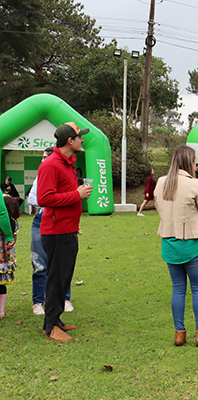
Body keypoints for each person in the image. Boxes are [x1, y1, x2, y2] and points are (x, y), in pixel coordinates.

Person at [155, 145, 198, 347]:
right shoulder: (196, 185)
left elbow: (159, 208)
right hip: (191, 243)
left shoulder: (161, 183)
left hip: (169, 242)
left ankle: (179, 334)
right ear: (190, 162)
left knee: (178, 289)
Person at [37, 122, 93, 342]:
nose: (82, 140)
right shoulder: (51, 165)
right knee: (56, 279)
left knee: (63, 278)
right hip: (56, 232)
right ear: (70, 141)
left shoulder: (68, 164)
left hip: (67, 230)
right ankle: (51, 326)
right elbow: (44, 198)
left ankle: (54, 320)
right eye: (80, 137)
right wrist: (76, 195)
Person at [28, 148, 72, 316]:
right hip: (40, 221)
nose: (45, 160)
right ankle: (38, 302)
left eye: (48, 157)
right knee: (39, 264)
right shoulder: (41, 177)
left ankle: (64, 298)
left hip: (60, 221)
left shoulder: (63, 174)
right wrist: (52, 201)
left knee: (62, 262)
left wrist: (52, 201)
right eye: (43, 158)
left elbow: (70, 196)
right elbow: (32, 198)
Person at [0, 196, 19, 318]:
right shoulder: (14, 224)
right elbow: (13, 240)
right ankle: (1, 311)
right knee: (2, 285)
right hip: (4, 260)